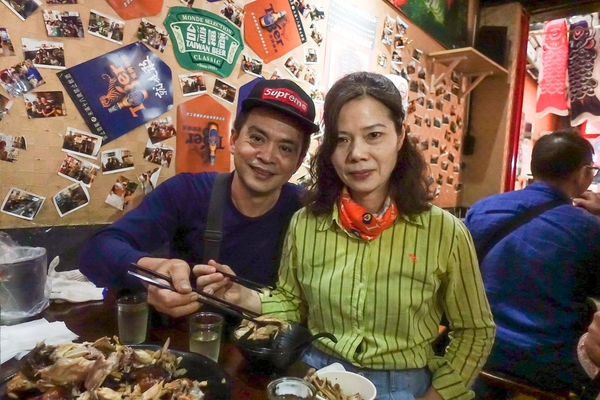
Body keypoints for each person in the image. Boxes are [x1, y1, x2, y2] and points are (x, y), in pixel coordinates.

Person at [196, 72, 494, 399]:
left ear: (400, 136)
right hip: (315, 377)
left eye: (374, 135)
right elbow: (292, 303)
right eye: (342, 139)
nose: (357, 154)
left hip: (404, 386)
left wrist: (435, 396)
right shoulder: (306, 222)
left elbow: (475, 331)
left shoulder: (445, 232)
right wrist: (239, 295)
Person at [79, 79, 319, 318]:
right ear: (233, 140)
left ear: (298, 161)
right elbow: (96, 252)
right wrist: (152, 271)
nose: (267, 156)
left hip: (269, 339)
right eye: (257, 138)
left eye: (285, 148)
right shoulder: (187, 192)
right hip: (186, 335)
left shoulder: (309, 213)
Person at [465, 130, 600, 396]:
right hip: (543, 362)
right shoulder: (588, 228)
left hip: (473, 347)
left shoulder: (482, 208)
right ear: (583, 173)